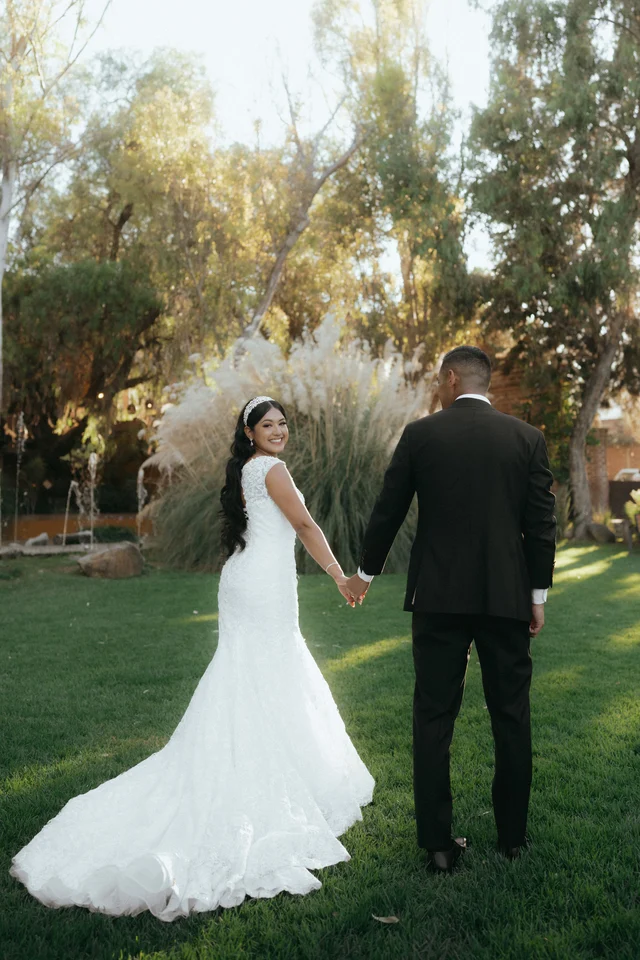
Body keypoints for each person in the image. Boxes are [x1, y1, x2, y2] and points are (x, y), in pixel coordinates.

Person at [11, 396, 374, 920]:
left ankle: (277, 756)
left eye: (282, 424)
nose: (278, 431)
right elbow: (305, 525)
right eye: (267, 425)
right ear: (250, 432)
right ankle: (277, 770)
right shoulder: (271, 469)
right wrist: (341, 576)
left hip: (246, 580)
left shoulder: (245, 470)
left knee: (250, 672)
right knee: (269, 669)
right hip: (263, 588)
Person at [346, 346, 556, 872]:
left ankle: (438, 847)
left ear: (451, 378)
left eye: (439, 381)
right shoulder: (526, 438)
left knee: (433, 715)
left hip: (437, 597)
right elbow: (541, 525)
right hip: (506, 597)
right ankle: (512, 839)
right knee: (512, 714)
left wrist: (365, 573)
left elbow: (389, 508)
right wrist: (537, 597)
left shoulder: (421, 435)